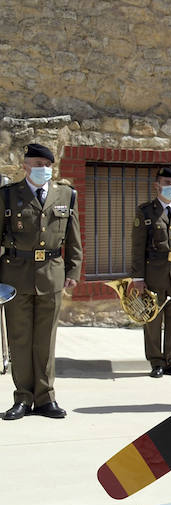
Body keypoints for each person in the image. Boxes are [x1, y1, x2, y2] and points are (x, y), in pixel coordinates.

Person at [1, 143, 82, 420]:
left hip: (51, 274)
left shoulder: (66, 195)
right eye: (36, 164)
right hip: (15, 276)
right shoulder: (9, 196)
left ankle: (46, 398)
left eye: (46, 165)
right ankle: (22, 397)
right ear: (24, 166)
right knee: (20, 339)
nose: (42, 170)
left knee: (46, 340)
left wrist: (72, 272)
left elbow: (73, 238)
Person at [129, 166, 171, 378]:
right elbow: (137, 247)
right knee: (153, 319)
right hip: (153, 273)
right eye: (166, 183)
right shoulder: (146, 211)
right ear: (156, 186)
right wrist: (138, 277)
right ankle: (156, 361)